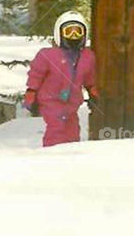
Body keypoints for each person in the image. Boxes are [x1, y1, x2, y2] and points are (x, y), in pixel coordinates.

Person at [24, 11, 98, 147]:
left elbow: (89, 77)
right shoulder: (47, 55)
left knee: (72, 129)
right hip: (51, 101)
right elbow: (36, 74)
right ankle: (53, 153)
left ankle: (71, 152)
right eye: (69, 32)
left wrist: (92, 91)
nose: (74, 36)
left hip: (72, 102)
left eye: (78, 32)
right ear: (59, 34)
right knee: (57, 127)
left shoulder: (87, 57)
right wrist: (31, 92)